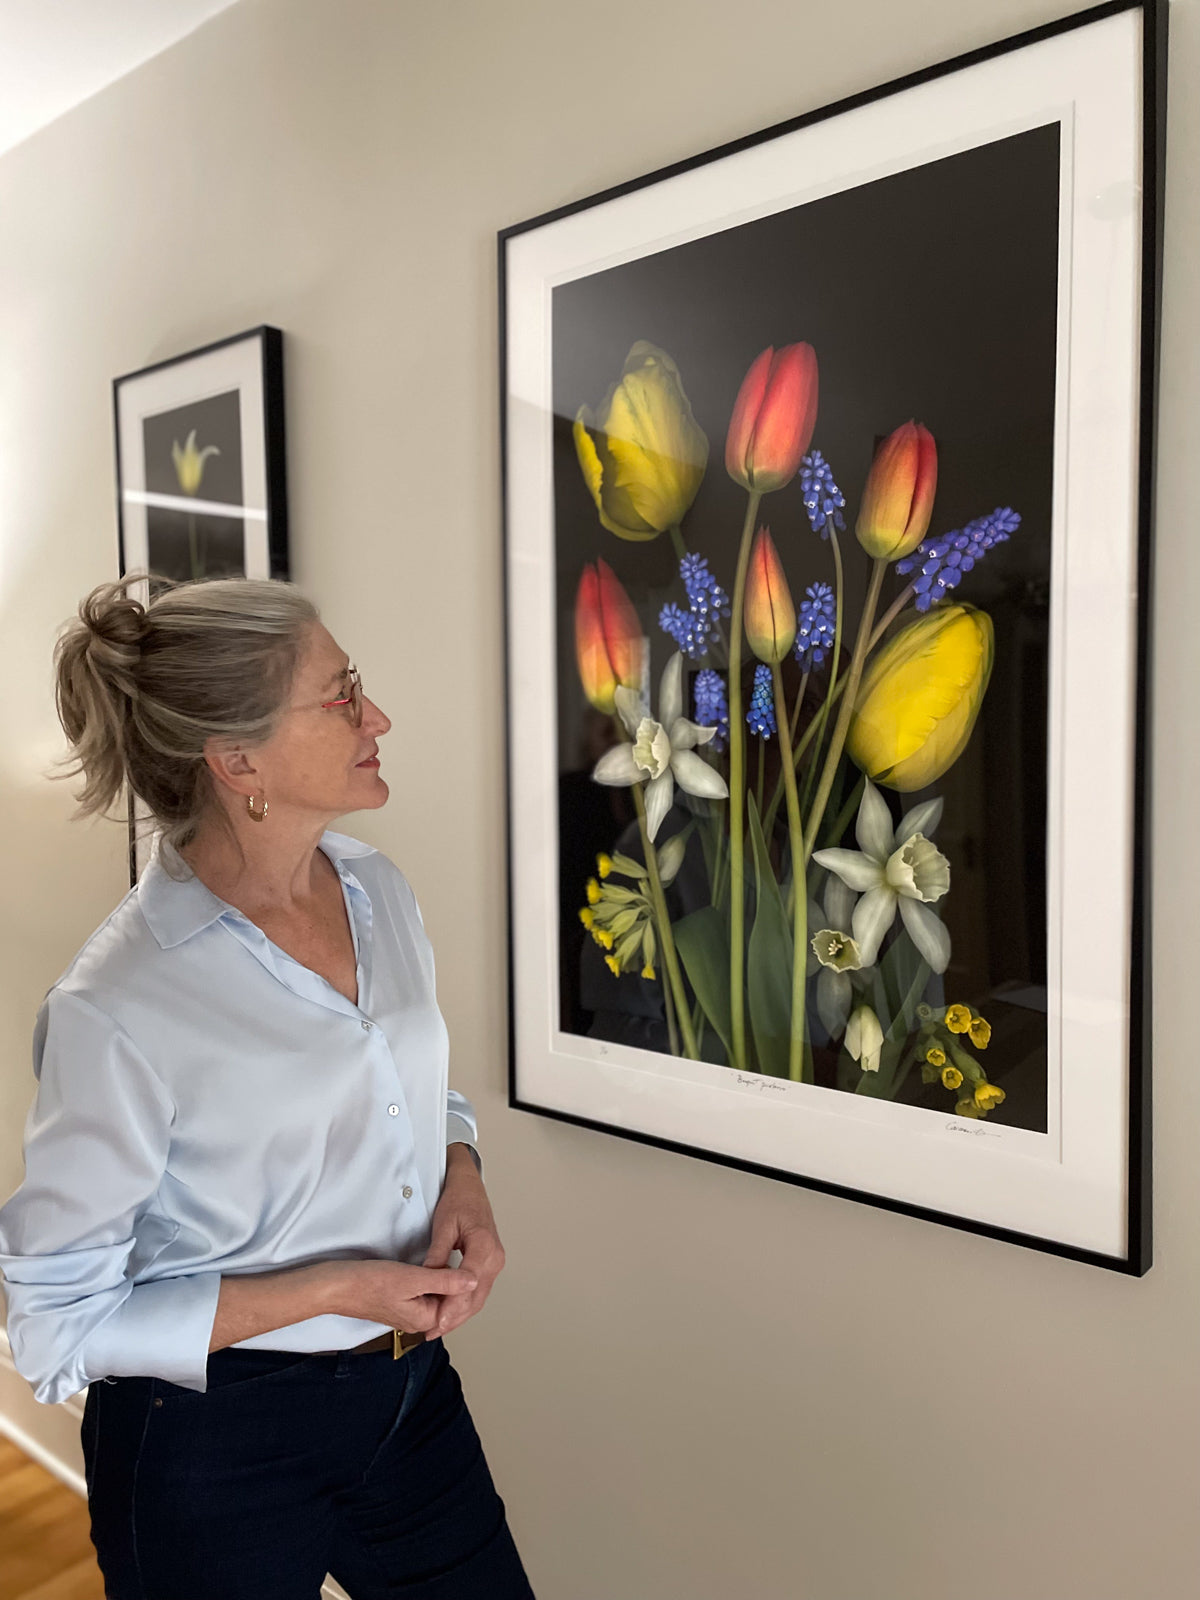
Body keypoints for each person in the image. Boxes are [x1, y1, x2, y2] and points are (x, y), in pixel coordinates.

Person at [0, 575, 535, 1599]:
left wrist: (460, 1167)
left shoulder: (376, 889)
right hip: (211, 1441)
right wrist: (338, 1286)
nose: (377, 717)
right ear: (237, 759)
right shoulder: (118, 1005)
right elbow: (56, 1326)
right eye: (342, 696)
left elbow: (404, 1093)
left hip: (407, 1392)